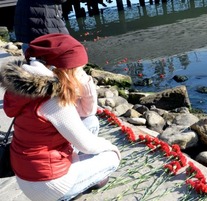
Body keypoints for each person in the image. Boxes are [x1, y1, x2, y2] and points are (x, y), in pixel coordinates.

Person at [0, 33, 121, 201]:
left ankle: (78, 173)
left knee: (90, 122)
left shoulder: (26, 88)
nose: (81, 73)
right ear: (60, 70)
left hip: (27, 175)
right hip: (48, 184)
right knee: (111, 158)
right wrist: (112, 148)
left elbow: (87, 113)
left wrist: (85, 82)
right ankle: (66, 193)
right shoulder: (54, 101)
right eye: (77, 69)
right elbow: (87, 145)